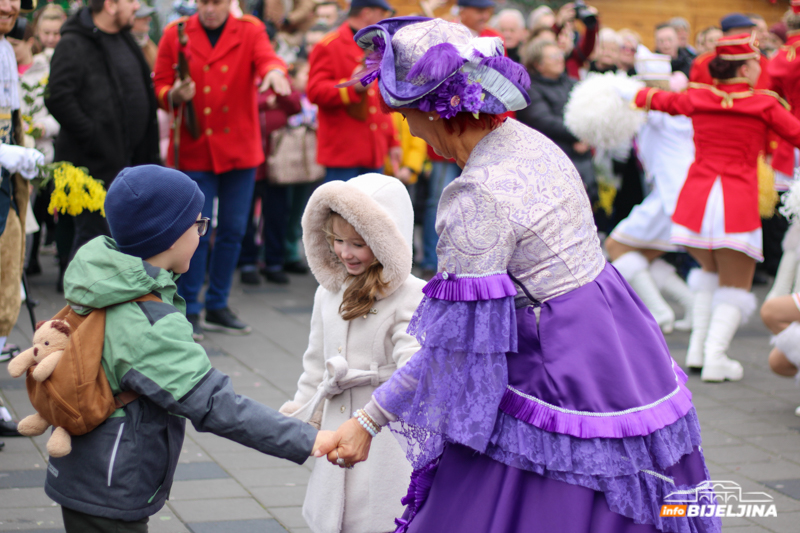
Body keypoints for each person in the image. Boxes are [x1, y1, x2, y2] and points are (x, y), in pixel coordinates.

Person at [316, 17, 718, 533]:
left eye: (406, 112)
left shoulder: (474, 196)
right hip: (616, 338)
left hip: (554, 368)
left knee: (528, 504)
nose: (408, 127)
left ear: (442, 112)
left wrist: (367, 420)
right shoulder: (532, 141)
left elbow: (455, 347)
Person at [46, 165, 333, 532]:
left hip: (84, 472)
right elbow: (214, 403)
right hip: (111, 487)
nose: (202, 234)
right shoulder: (147, 321)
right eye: (198, 225)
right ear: (169, 236)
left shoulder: (105, 280)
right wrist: (308, 438)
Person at [631, 34, 800, 382]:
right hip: (734, 203)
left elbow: (649, 98)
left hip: (695, 203)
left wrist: (623, 92)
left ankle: (697, 350)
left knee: (709, 273)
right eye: (756, 62)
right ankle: (715, 357)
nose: (760, 69)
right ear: (746, 65)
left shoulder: (698, 96)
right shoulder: (763, 103)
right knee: (737, 284)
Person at [280, 174, 425, 533]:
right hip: (334, 427)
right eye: (338, 241)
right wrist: (303, 419)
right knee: (334, 517)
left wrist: (379, 413)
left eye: (358, 243)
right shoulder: (328, 293)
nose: (345, 252)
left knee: (379, 514)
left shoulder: (411, 295)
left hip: (385, 431)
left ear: (386, 240)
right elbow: (315, 363)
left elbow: (417, 364)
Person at [153, 0, 291, 338]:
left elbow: (267, 58)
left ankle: (217, 304)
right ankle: (190, 309)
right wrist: (174, 92)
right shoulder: (177, 32)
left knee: (233, 229)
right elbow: (159, 84)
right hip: (196, 148)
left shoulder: (250, 29)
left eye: (217, 2)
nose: (210, 8)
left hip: (239, 149)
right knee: (195, 233)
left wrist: (275, 71)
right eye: (204, 1)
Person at [45, 0, 160, 272]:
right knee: (95, 244)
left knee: (113, 247)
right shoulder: (72, 43)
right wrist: (95, 136)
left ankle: (100, 312)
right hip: (91, 171)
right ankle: (78, 312)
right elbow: (57, 97)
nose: (136, 7)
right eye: (132, 1)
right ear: (110, 5)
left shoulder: (124, 38)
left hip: (125, 166)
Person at [606, 53, 695, 335]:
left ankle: (659, 311)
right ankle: (690, 304)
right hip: (673, 195)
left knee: (615, 246)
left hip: (671, 197)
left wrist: (607, 83)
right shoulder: (671, 109)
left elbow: (628, 91)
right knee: (647, 254)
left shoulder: (663, 111)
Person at [307, 0, 399, 183]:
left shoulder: (378, 45)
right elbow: (314, 91)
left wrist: (393, 141)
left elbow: (380, 97)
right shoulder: (329, 45)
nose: (385, 20)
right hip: (344, 154)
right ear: (367, 13)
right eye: (382, 14)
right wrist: (351, 87)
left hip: (374, 151)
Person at [0, 0, 44, 366]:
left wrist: (18, 152)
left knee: (7, 280)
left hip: (4, 189)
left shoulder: (5, 52)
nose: (9, 5)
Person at [518, 39, 596, 205]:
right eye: (553, 56)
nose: (560, 59)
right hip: (549, 163)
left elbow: (590, 113)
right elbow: (542, 121)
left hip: (581, 160)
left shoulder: (573, 83)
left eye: (560, 54)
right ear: (538, 64)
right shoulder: (530, 88)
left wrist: (587, 136)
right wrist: (578, 134)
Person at [690, 13, 771, 90]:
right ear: (725, 35)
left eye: (749, 34)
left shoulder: (763, 62)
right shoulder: (704, 62)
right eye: (740, 34)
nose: (745, 39)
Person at [131, 3, 157, 69]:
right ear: (131, 18)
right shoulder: (124, 43)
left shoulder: (147, 43)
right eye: (143, 16)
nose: (148, 19)